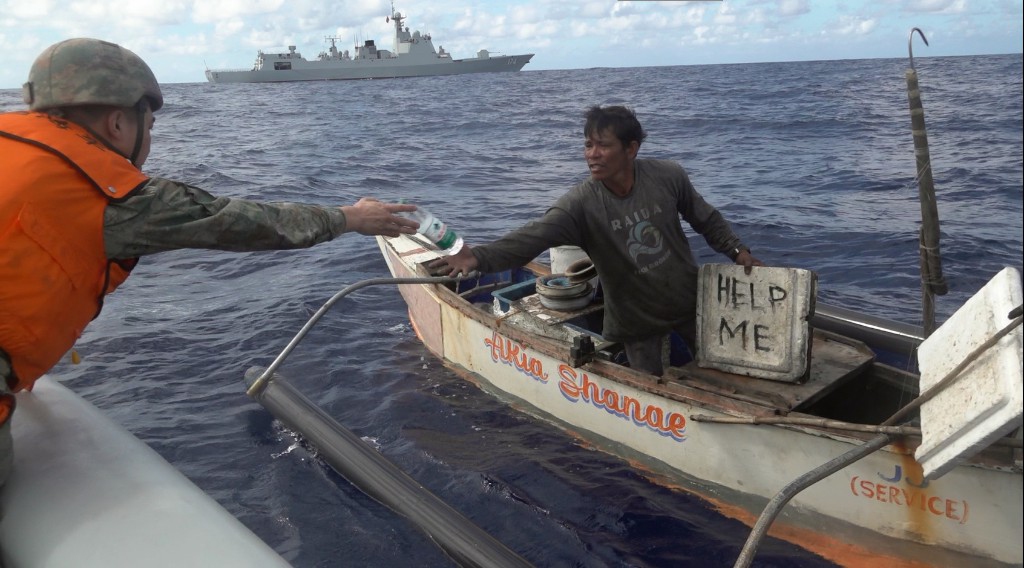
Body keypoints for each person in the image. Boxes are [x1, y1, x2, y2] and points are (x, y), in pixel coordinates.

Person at [0, 38, 420, 486]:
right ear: (118, 122)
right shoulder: (104, 193)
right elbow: (245, 222)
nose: (151, 139)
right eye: (150, 124)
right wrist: (352, 218)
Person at [434, 105, 764, 376]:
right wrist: (476, 257)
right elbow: (530, 238)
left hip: (686, 301)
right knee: (648, 387)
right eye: (588, 145)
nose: (592, 155)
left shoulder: (668, 176)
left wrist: (738, 252)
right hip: (636, 319)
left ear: (631, 149)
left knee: (725, 370)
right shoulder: (580, 205)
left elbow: (706, 218)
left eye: (603, 146)